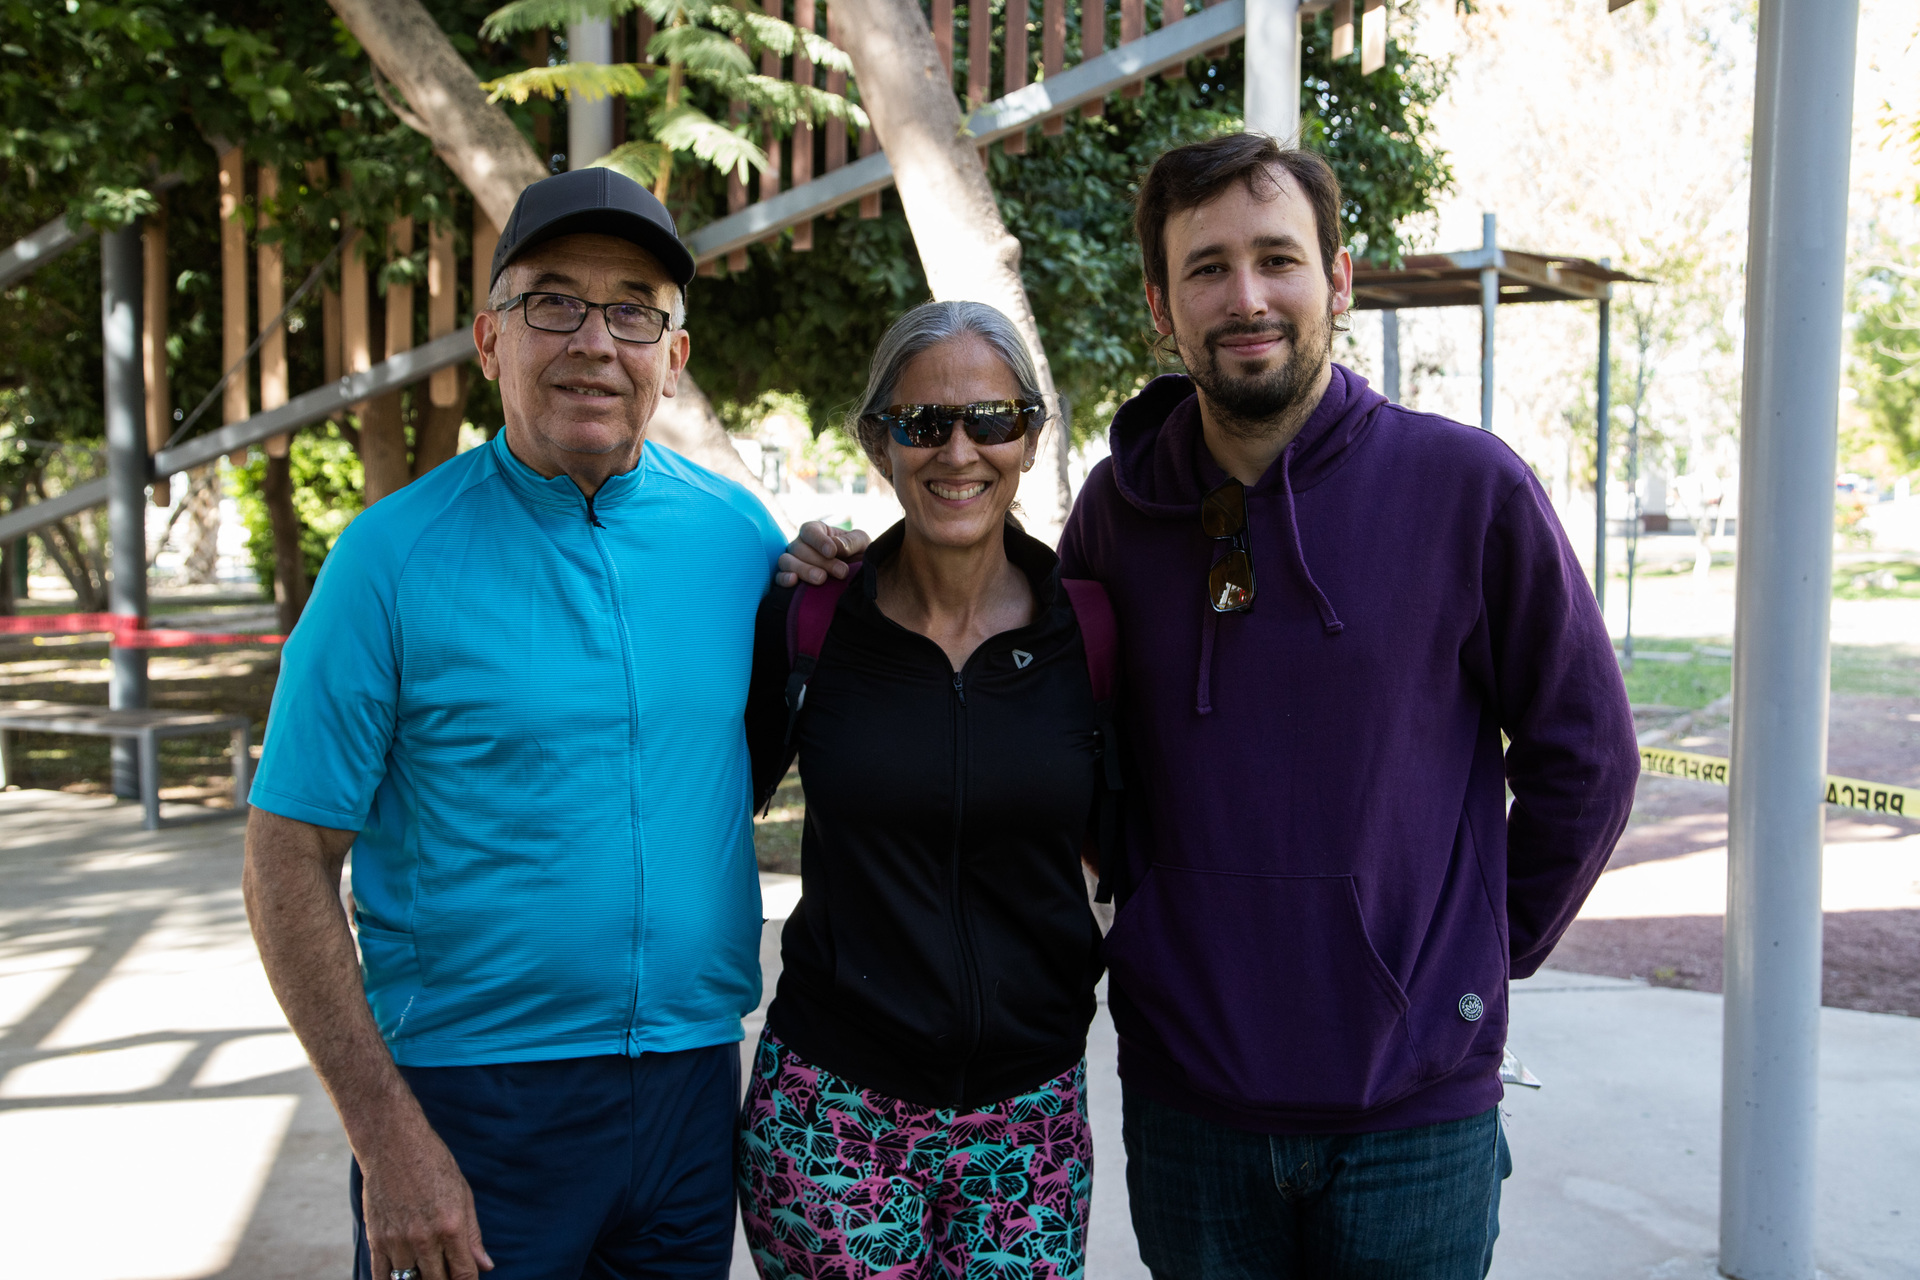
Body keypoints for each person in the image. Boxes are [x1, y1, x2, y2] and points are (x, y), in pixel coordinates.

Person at [784, 134, 1640, 1278]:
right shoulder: (1116, 514)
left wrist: (1473, 961)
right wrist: (840, 561)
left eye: (1277, 259)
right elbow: (1041, 726)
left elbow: (1587, 758)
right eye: (1207, 268)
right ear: (1159, 306)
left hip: (1413, 1111)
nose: (1247, 298)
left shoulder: (1469, 489)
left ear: (1338, 279)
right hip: (1193, 1103)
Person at [242, 167, 788, 1280]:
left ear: (673, 356)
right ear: (490, 339)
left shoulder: (741, 539)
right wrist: (386, 1137)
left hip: (690, 1092)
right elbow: (285, 859)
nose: (596, 338)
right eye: (555, 301)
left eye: (634, 307)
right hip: (469, 1105)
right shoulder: (386, 561)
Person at [738, 301, 1112, 1279]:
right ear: (879, 442)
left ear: (1031, 435)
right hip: (835, 1111)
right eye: (921, 423)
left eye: (991, 419)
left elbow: (1138, 846)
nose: (959, 449)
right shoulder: (811, 614)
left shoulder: (1092, 633)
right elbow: (704, 804)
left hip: (1029, 1121)